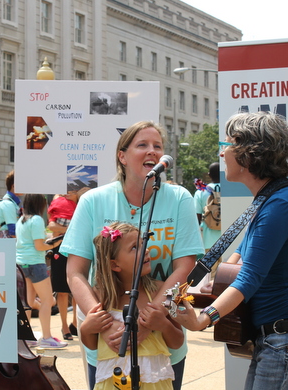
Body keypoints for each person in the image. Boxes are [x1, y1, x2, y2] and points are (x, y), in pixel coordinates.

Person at [172, 112, 288, 390]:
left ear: (248, 153)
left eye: (225, 146)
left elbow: (248, 280)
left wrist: (203, 319)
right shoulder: (269, 200)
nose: (221, 155)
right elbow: (235, 264)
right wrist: (197, 292)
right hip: (284, 337)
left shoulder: (280, 204)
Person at [60, 120, 204, 390]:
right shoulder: (93, 200)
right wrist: (104, 324)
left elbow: (185, 267)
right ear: (122, 156)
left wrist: (148, 323)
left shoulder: (180, 198)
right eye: (142, 145)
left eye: (157, 146)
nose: (152, 151)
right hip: (108, 344)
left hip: (161, 341)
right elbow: (75, 272)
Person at [81, 222, 183, 390]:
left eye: (144, 244)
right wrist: (86, 329)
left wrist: (163, 324)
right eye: (135, 247)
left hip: (155, 383)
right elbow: (92, 345)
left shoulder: (160, 291)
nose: (146, 250)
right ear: (114, 264)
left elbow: (177, 341)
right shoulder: (101, 296)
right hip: (111, 383)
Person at [16, 193, 67, 348]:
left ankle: (26, 337)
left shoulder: (21, 220)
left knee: (28, 303)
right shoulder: (37, 220)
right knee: (47, 301)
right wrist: (55, 244)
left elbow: (32, 243)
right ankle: (46, 337)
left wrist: (49, 242)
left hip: (21, 264)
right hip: (35, 264)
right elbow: (39, 247)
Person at [47, 190, 84, 340]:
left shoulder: (82, 204)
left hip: (77, 248)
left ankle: (75, 323)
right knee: (61, 290)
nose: (68, 192)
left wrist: (63, 229)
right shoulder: (59, 204)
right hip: (59, 249)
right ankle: (64, 326)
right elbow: (51, 226)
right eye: (66, 189)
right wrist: (70, 229)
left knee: (77, 289)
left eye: (73, 190)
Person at [192, 162, 221, 282]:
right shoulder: (232, 191)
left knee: (211, 277)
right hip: (229, 239)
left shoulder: (201, 191)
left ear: (209, 175)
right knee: (228, 275)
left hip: (208, 240)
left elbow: (196, 219)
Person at [0, 170, 21, 238]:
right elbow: (13, 232)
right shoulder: (8, 203)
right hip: (8, 243)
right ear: (13, 186)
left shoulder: (12, 202)